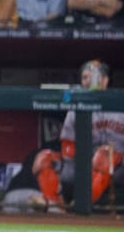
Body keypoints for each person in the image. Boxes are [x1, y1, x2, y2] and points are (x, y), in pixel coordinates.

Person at [32, 60, 124, 210]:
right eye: (85, 78)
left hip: (119, 169)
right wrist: (87, 156)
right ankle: (55, 206)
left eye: (93, 77)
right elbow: (68, 150)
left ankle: (82, 205)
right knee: (43, 158)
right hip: (85, 165)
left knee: (104, 154)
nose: (88, 81)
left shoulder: (120, 105)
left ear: (105, 81)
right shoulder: (75, 108)